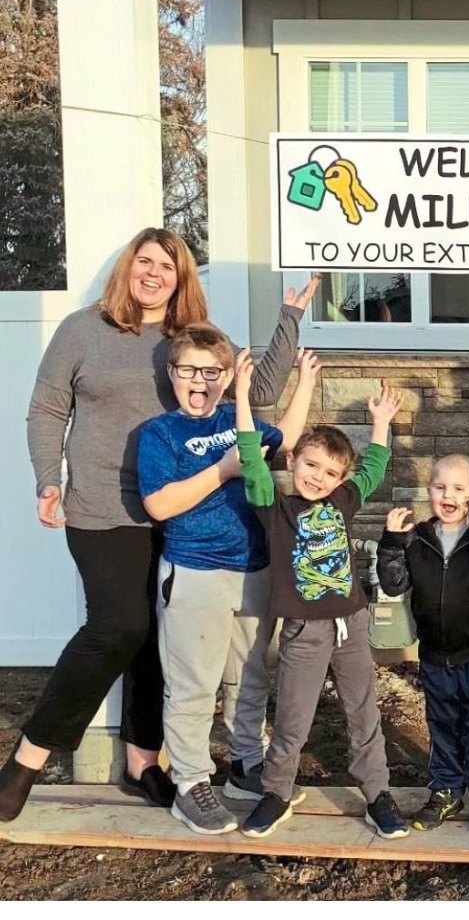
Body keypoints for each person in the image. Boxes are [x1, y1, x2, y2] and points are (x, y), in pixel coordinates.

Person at [0, 227, 318, 824]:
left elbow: (255, 389)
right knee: (118, 625)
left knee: (159, 636)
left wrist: (289, 319)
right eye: (145, 262)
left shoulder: (186, 338)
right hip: (103, 508)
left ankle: (145, 760)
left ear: (182, 277)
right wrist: (47, 477)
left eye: (168, 266)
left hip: (182, 507)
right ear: (127, 268)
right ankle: (30, 754)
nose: (155, 274)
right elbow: (47, 407)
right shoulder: (84, 329)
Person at [136, 326, 322, 835]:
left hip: (255, 569)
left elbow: (283, 440)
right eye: (188, 370)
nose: (200, 382)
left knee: (251, 675)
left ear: (226, 377)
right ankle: (192, 782)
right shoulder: (159, 434)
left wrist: (305, 381)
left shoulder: (233, 419)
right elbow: (159, 504)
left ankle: (246, 765)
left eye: (211, 372)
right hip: (195, 572)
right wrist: (224, 469)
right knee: (193, 685)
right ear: (171, 373)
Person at [234, 377, 410, 841]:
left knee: (363, 713)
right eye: (311, 465)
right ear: (292, 461)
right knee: (293, 717)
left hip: (351, 624)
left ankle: (377, 795)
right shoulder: (276, 506)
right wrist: (240, 398)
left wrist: (380, 424)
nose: (318, 478)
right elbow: (251, 463)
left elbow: (371, 470)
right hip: (303, 631)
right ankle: (275, 793)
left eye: (330, 473)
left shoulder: (343, 500)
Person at [377, 454, 469, 834]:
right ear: (429, 492)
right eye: (439, 488)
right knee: (442, 725)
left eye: (458, 489)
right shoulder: (418, 538)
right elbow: (393, 584)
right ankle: (446, 789)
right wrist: (390, 543)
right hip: (435, 655)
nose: (447, 496)